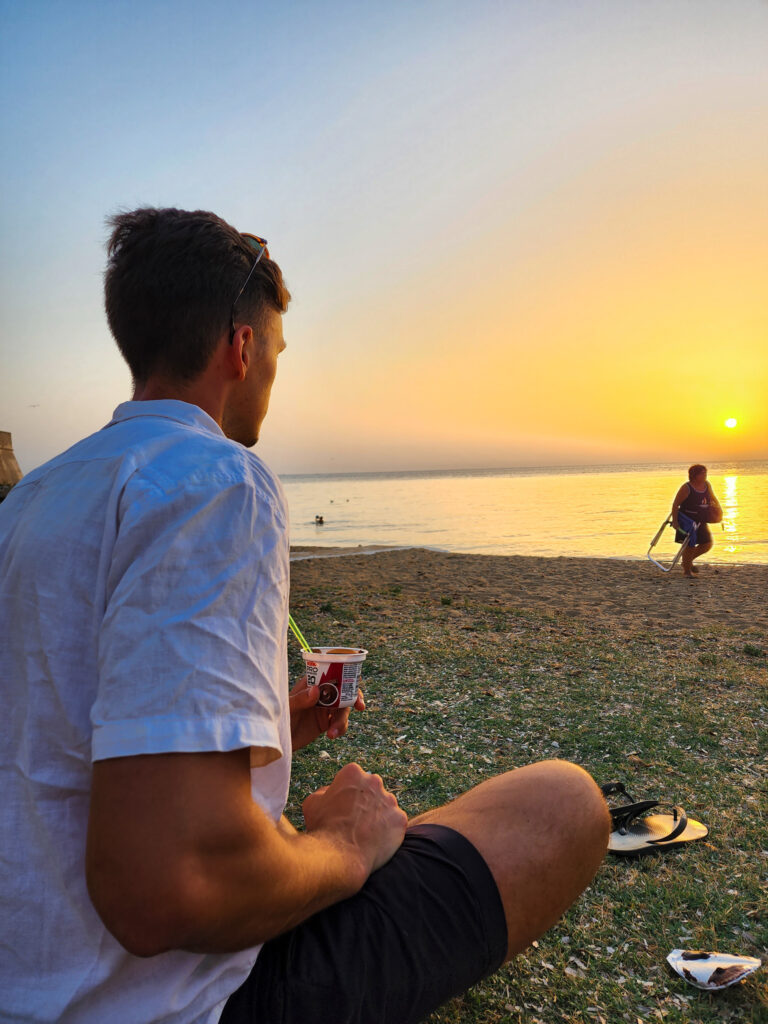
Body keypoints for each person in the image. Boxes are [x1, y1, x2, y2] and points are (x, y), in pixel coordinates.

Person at [0, 207, 609, 1024]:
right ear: (242, 349)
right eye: (277, 355)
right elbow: (169, 891)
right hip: (168, 1001)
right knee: (563, 802)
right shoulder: (214, 481)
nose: (273, 378)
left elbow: (56, 731)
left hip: (28, 974)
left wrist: (265, 730)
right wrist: (346, 842)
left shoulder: (33, 499)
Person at [671, 464, 723, 578]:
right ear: (694, 475)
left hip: (701, 519)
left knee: (707, 544)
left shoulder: (707, 485)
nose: (705, 475)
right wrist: (675, 522)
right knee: (690, 544)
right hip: (687, 520)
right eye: (702, 473)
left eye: (705, 472)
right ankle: (687, 571)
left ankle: (687, 562)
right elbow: (675, 505)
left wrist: (719, 509)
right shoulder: (686, 487)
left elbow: (713, 497)